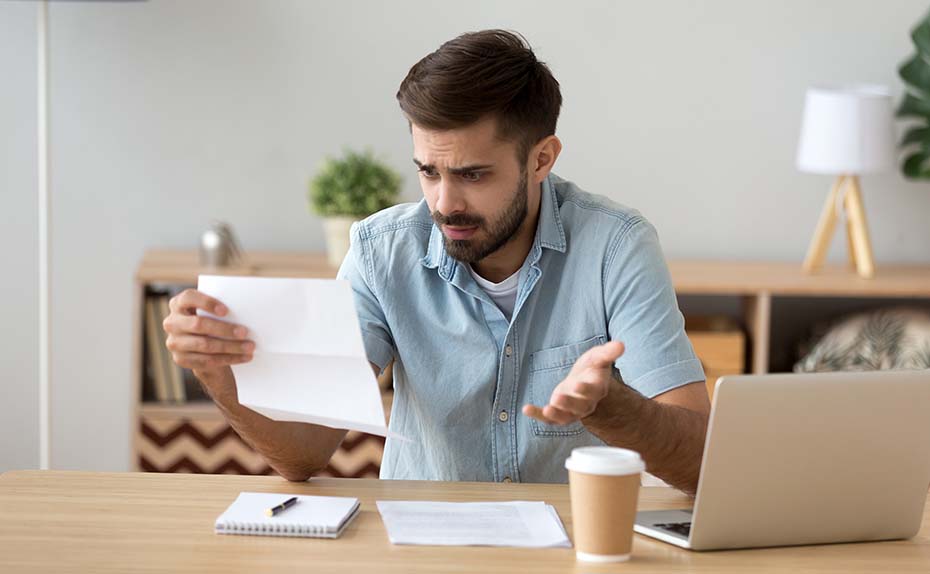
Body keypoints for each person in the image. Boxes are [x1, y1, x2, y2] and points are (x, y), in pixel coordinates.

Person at [164, 29, 710, 494]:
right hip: (421, 551)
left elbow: (700, 461)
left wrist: (614, 408)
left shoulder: (617, 248)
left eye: (472, 175)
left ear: (541, 159)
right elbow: (305, 454)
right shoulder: (381, 253)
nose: (445, 204)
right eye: (428, 172)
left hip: (572, 548)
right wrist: (217, 375)